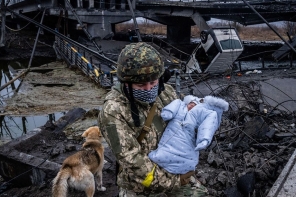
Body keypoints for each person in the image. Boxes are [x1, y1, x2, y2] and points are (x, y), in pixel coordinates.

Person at [98, 42, 208, 197]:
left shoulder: (165, 93)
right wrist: (176, 182)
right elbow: (133, 161)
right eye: (141, 84)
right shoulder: (113, 111)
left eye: (153, 82)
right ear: (126, 83)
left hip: (174, 170)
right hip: (141, 185)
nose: (149, 89)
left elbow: (187, 124)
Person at [148, 95, 229, 175]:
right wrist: (168, 112)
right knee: (165, 151)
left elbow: (207, 126)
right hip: (172, 135)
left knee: (188, 157)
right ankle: (160, 160)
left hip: (187, 137)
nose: (191, 106)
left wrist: (204, 139)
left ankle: (183, 169)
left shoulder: (201, 112)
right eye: (190, 103)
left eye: (194, 105)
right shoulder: (180, 105)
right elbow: (174, 105)